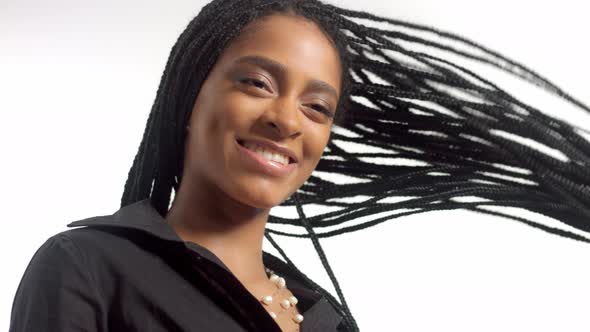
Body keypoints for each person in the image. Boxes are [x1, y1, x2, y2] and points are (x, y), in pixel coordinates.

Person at [9, 0, 590, 331]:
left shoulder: (323, 317)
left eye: (317, 107)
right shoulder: (87, 267)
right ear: (190, 95)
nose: (287, 119)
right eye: (258, 82)